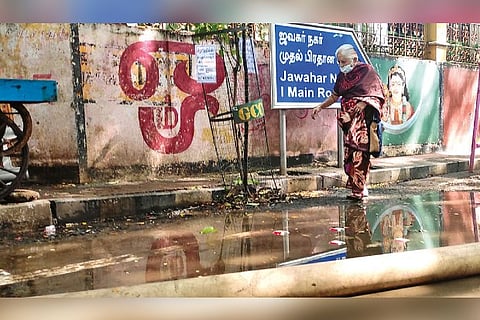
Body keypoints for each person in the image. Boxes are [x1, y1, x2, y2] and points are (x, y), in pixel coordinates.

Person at [311, 44, 385, 200]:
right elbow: (334, 96)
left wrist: (363, 102)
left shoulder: (367, 72)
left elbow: (377, 92)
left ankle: (359, 189)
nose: (341, 65)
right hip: (348, 123)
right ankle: (358, 186)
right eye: (339, 62)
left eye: (343, 62)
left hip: (361, 123)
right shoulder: (342, 76)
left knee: (360, 154)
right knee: (349, 156)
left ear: (354, 59)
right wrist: (320, 107)